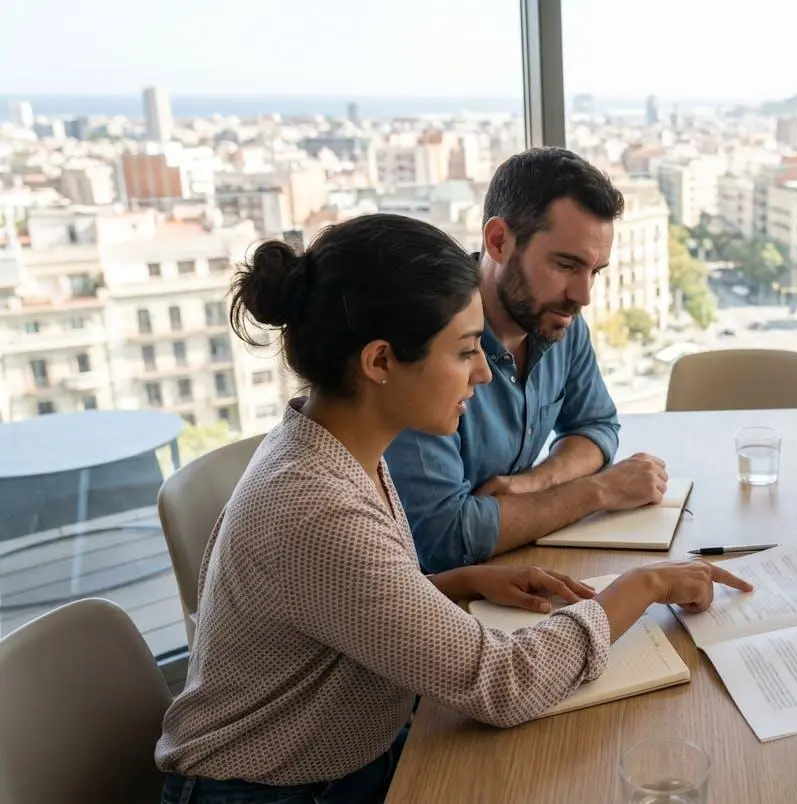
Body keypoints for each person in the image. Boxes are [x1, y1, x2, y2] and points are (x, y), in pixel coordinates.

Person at [155, 214, 751, 804]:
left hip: (341, 757)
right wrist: (640, 587)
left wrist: (458, 581)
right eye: (465, 351)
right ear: (381, 362)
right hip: (268, 791)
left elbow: (343, 603)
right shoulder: (317, 507)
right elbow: (505, 684)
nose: (484, 371)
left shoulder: (337, 441)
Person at [386, 148, 665, 573]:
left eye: (595, 271)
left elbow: (596, 426)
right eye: (566, 264)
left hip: (511, 572)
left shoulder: (558, 321)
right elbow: (443, 540)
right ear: (498, 241)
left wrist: (536, 482)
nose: (582, 295)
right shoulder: (427, 340)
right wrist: (599, 492)